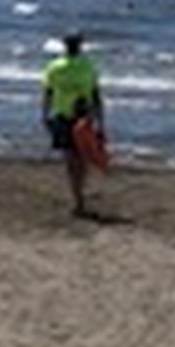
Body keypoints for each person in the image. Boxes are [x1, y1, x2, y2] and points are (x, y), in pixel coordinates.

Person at [42, 31, 104, 219]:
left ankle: (77, 196)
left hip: (62, 115)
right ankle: (79, 195)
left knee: (70, 159)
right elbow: (96, 96)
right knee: (82, 158)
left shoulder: (54, 67)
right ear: (80, 46)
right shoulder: (88, 66)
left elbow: (48, 94)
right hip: (84, 118)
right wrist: (101, 121)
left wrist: (44, 115)